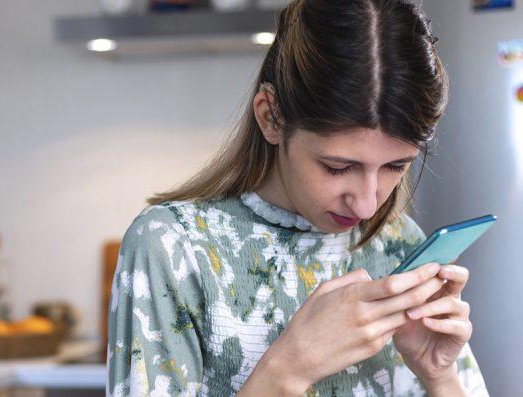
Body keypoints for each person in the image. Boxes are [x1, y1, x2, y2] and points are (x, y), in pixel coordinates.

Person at [106, 0, 488, 395]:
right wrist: (289, 367)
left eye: (396, 166)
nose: (367, 205)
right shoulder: (172, 247)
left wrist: (439, 375)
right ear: (271, 117)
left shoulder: (397, 241)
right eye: (337, 167)